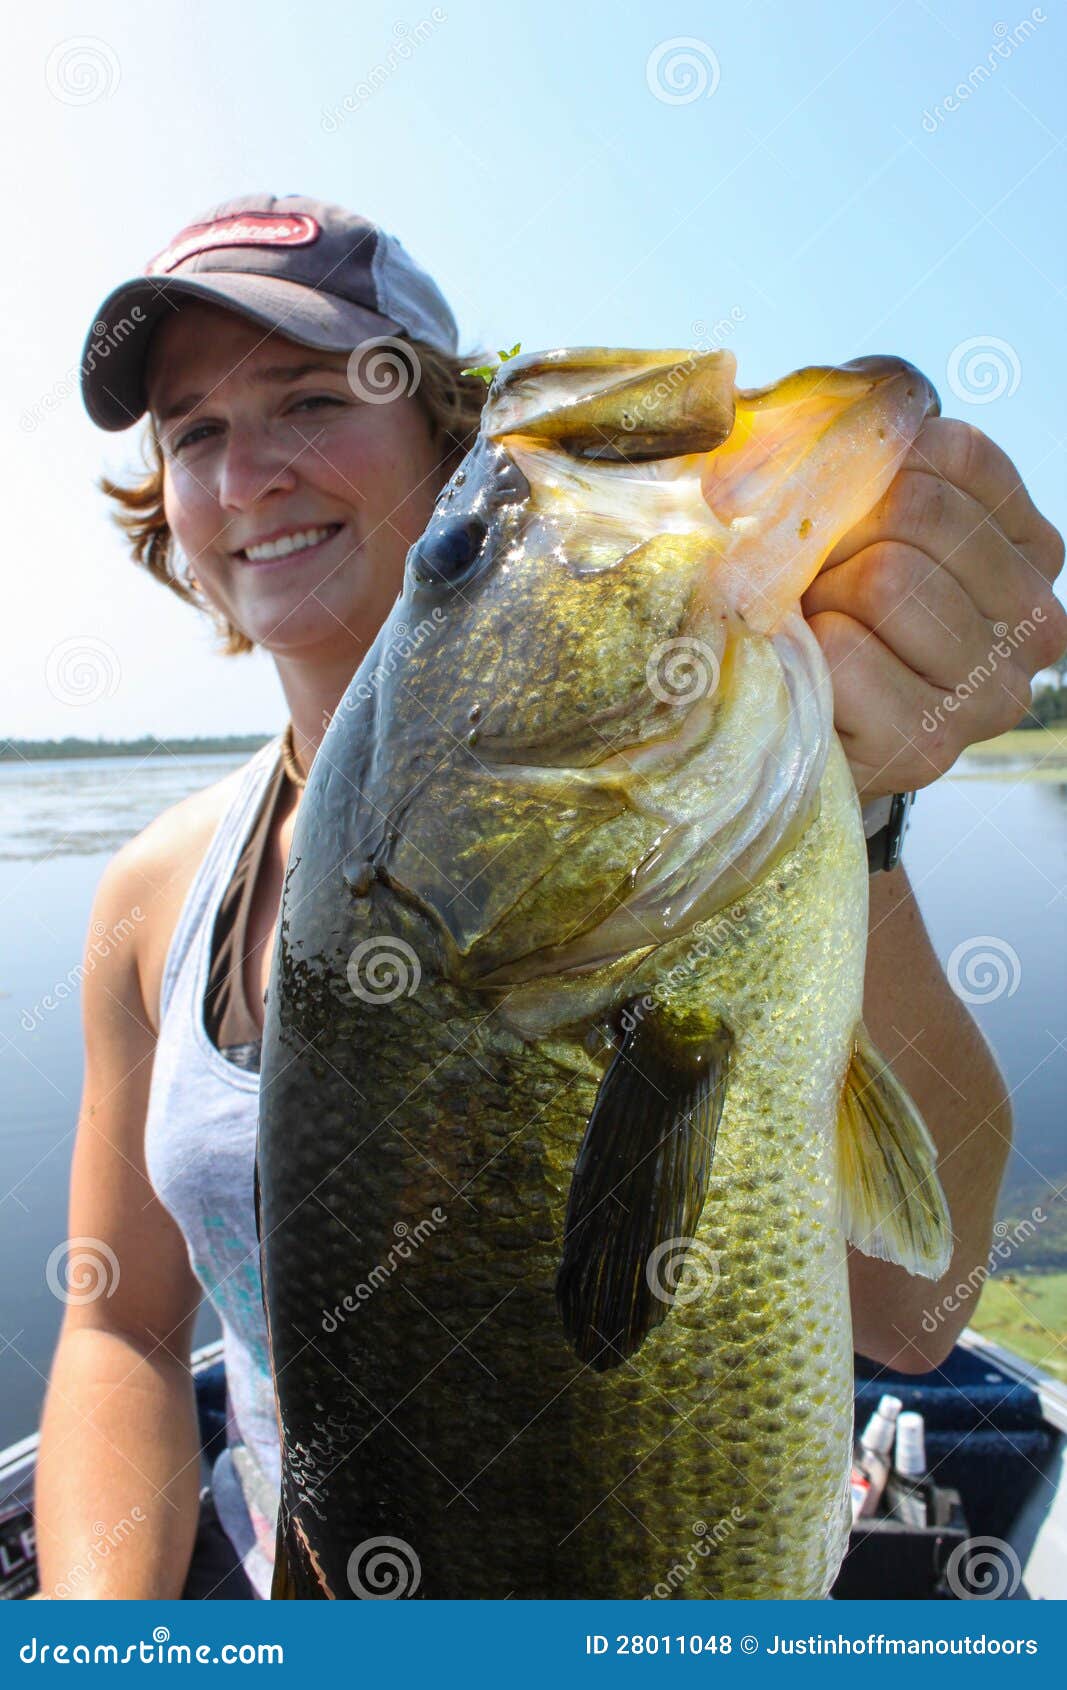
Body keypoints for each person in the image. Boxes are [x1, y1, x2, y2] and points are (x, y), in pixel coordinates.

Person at [32, 193, 1067, 1600]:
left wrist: (863, 813)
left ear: (442, 441)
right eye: (194, 432)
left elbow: (918, 1311)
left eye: (310, 397)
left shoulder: (753, 811)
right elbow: (125, 1334)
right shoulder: (155, 896)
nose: (248, 472)